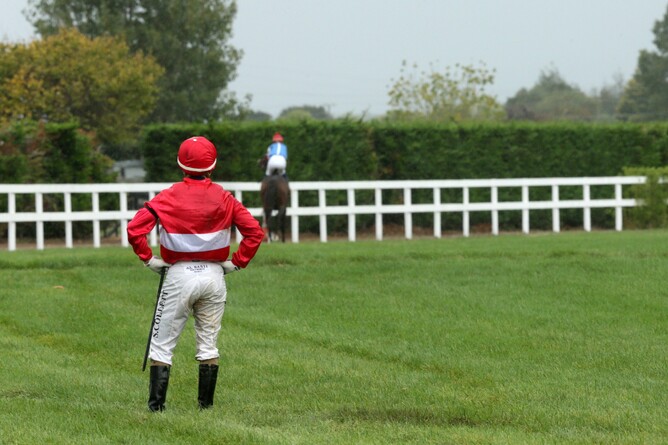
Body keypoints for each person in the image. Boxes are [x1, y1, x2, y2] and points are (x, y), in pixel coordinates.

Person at [127, 136, 264, 412]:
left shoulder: (167, 196)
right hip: (215, 276)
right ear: (212, 166)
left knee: (163, 344)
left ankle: (156, 408)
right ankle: (206, 408)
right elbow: (254, 232)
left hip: (179, 275)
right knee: (208, 343)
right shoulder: (226, 198)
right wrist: (237, 262)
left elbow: (135, 229)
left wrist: (148, 259)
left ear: (181, 165)